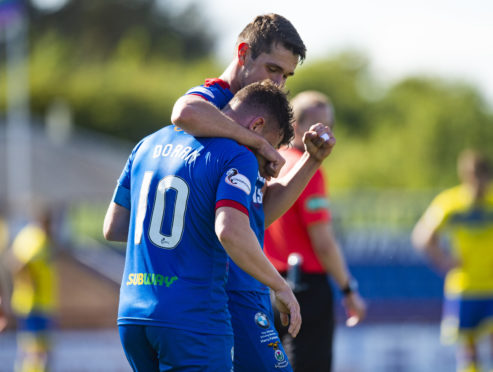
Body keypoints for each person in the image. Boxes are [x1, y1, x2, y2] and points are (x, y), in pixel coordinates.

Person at [104, 81, 308, 372]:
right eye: (271, 147)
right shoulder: (237, 154)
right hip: (192, 318)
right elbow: (230, 231)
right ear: (257, 125)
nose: (269, 160)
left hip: (133, 315)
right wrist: (280, 286)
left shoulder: (146, 144)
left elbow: (113, 227)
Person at [263, 91, 366, 372]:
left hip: (267, 284)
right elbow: (322, 241)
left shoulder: (272, 161)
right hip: (304, 289)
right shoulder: (308, 170)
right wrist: (348, 289)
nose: (326, 134)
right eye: (318, 126)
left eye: (329, 126)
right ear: (296, 125)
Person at [171, 13, 306, 180]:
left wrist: (312, 159)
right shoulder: (213, 96)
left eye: (286, 76)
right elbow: (185, 112)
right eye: (272, 69)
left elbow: (261, 205)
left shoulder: (262, 113)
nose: (279, 83)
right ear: (243, 54)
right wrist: (259, 142)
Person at [412, 149, 493, 372]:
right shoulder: (451, 202)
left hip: (491, 285)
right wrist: (444, 260)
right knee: (468, 346)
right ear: (465, 177)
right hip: (464, 286)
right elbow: (422, 236)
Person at [7, 206, 58, 372]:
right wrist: (30, 282)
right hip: (34, 304)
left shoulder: (26, 235)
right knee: (37, 350)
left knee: (32, 348)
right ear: (46, 222)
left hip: (32, 303)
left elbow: (12, 260)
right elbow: (17, 264)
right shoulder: (38, 239)